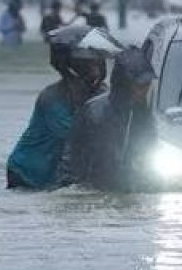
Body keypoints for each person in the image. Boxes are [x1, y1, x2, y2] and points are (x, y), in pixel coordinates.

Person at [6, 43, 107, 190]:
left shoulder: (101, 94)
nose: (94, 70)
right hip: (27, 172)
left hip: (58, 171)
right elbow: (72, 134)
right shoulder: (51, 97)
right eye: (88, 65)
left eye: (96, 63)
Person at [57, 47, 157, 191]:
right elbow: (72, 160)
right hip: (93, 191)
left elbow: (148, 146)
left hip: (126, 190)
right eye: (140, 86)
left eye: (147, 85)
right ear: (125, 84)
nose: (145, 91)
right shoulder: (95, 113)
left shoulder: (141, 112)